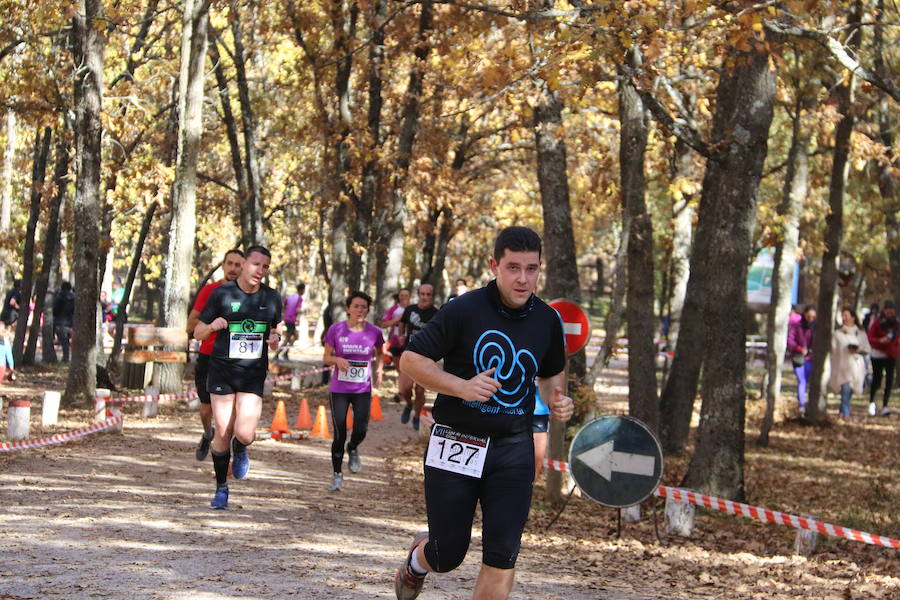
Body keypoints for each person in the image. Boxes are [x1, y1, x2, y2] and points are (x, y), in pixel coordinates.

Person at [393, 226, 573, 600]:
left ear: (541, 268)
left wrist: (558, 399)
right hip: (458, 440)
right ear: (494, 265)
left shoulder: (547, 320)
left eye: (531, 268)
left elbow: (551, 373)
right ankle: (417, 561)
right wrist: (461, 386)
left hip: (512, 447)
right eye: (512, 268)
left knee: (502, 555)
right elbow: (411, 359)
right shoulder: (463, 310)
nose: (522, 278)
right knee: (447, 553)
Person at [194, 246, 282, 509]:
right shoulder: (222, 293)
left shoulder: (272, 297)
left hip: (252, 373)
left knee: (243, 432)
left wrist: (276, 338)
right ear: (244, 264)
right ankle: (221, 487)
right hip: (221, 369)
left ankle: (241, 448)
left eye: (265, 267)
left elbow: (276, 330)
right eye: (256, 264)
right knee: (222, 429)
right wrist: (211, 327)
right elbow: (197, 331)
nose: (260, 271)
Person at [322, 291, 385, 491]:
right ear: (348, 308)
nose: (360, 310)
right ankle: (337, 474)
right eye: (356, 306)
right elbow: (326, 357)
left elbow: (380, 352)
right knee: (339, 431)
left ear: (368, 310)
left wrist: (380, 369)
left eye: (364, 307)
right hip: (339, 388)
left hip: (362, 388)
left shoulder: (374, 331)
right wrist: (336, 359)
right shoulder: (336, 330)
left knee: (361, 429)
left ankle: (353, 447)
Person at [187, 249, 244, 461]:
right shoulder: (210, 290)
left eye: (238, 265)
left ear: (244, 267)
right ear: (223, 265)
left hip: (235, 359)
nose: (233, 269)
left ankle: (225, 452)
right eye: (230, 263)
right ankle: (206, 433)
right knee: (206, 409)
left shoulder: (250, 294)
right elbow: (191, 324)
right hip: (209, 356)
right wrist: (212, 326)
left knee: (233, 410)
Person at [398, 283, 438, 430]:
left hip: (425, 357)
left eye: (428, 294)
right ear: (418, 294)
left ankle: (416, 416)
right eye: (422, 294)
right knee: (405, 388)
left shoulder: (436, 313)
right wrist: (401, 335)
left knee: (420, 390)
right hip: (408, 353)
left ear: (432, 296)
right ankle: (408, 404)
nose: (425, 297)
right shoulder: (410, 309)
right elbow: (402, 323)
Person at [829, 306, 870, 419]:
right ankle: (846, 416)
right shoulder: (837, 333)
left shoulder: (860, 333)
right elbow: (833, 350)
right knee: (845, 390)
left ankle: (842, 412)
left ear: (853, 317)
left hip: (857, 368)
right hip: (842, 367)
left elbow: (867, 349)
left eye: (846, 315)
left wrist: (858, 349)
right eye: (843, 316)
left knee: (849, 391)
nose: (844, 318)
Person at [866, 300, 899, 416]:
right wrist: (880, 341)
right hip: (878, 354)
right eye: (887, 311)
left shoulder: (897, 323)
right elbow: (870, 337)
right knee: (877, 379)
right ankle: (872, 402)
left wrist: (895, 343)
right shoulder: (877, 323)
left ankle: (885, 405)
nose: (889, 314)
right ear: (884, 311)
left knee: (889, 380)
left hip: (891, 354)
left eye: (891, 312)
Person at [381, 288, 411, 399]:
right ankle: (404, 390)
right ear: (399, 297)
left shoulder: (412, 309)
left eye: (406, 295)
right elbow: (384, 324)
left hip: (408, 342)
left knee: (406, 369)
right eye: (401, 295)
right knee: (400, 369)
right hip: (395, 341)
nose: (403, 297)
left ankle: (402, 391)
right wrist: (398, 319)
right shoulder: (394, 309)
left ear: (410, 296)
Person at [787, 304, 816, 414]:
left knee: (807, 381)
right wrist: (799, 348)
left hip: (811, 358)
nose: (811, 319)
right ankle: (802, 405)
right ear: (805, 315)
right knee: (802, 381)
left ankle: (808, 403)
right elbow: (790, 340)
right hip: (798, 357)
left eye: (813, 317)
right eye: (809, 316)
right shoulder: (797, 326)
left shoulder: (816, 327)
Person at [279, 282, 305, 359]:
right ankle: (278, 354)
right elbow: (298, 310)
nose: (304, 292)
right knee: (288, 338)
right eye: (304, 290)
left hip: (287, 319)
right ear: (301, 290)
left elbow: (284, 305)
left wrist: (284, 315)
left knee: (294, 336)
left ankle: (286, 352)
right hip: (291, 320)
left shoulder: (290, 296)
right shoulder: (299, 298)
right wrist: (304, 311)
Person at [52, 281, 76, 362]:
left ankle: (65, 358)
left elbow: (55, 310)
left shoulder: (59, 297)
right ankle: (69, 358)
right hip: (71, 323)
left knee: (64, 343)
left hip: (60, 322)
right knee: (69, 342)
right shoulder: (74, 298)